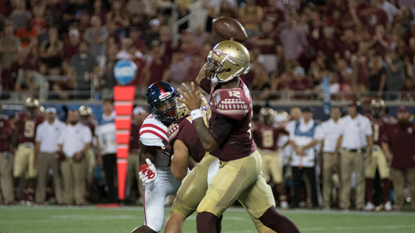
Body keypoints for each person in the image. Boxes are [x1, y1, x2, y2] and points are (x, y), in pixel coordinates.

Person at [180, 40, 300, 233]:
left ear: (228, 68)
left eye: (215, 63)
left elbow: (209, 143)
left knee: (205, 214)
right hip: (242, 158)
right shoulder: (226, 81)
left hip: (238, 162)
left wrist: (195, 113)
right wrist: (223, 45)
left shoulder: (233, 99)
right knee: (269, 217)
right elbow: (202, 76)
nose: (209, 66)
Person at [163, 99, 275, 233]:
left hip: (213, 161)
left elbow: (179, 174)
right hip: (247, 158)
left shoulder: (179, 126)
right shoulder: (220, 108)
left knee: (178, 213)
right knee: (265, 221)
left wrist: (172, 154)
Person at [130, 81, 181, 233]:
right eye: (163, 105)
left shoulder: (187, 111)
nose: (170, 107)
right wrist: (145, 167)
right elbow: (144, 155)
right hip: (160, 177)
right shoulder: (150, 127)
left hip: (185, 174)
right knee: (153, 227)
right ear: (154, 108)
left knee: (209, 210)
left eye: (171, 101)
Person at [334, 103, 373, 211]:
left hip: (359, 152)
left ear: (357, 109)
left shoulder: (364, 121)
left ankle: (360, 204)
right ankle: (344, 204)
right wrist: (335, 152)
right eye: (349, 107)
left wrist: (370, 153)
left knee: (360, 178)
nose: (350, 109)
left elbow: (369, 137)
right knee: (345, 178)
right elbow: (340, 137)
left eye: (352, 108)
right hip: (346, 152)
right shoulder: (343, 120)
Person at [363, 99, 396, 211]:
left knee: (385, 176)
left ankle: (387, 201)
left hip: (382, 150)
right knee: (368, 176)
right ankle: (369, 202)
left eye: (378, 108)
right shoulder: (366, 118)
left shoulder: (387, 119)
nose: (376, 110)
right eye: (375, 108)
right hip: (370, 150)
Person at [253, 107, 289, 209]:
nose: (265, 119)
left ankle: (283, 201)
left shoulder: (276, 127)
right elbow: (248, 135)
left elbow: (290, 135)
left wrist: (283, 146)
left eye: (267, 117)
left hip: (274, 154)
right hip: (263, 154)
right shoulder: (258, 126)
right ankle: (266, 201)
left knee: (278, 179)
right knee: (264, 180)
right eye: (264, 117)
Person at [288, 107, 323, 209]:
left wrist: (303, 148)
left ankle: (315, 203)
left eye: (309, 113)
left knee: (312, 181)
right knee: (296, 181)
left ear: (311, 114)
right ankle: (295, 202)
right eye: (305, 113)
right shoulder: (296, 125)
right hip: (297, 157)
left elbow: (316, 140)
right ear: (302, 114)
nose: (307, 115)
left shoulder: (316, 125)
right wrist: (297, 149)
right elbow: (291, 139)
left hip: (309, 157)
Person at [12, 97, 45, 204]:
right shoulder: (21, 116)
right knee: (17, 172)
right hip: (22, 145)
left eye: (33, 107)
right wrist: (13, 145)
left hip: (33, 147)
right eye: (29, 107)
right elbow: (17, 131)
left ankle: (28, 196)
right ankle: (14, 195)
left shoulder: (40, 118)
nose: (31, 109)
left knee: (32, 173)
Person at [382, 106, 415, 211]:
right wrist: (387, 153)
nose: (402, 115)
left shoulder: (413, 126)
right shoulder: (392, 127)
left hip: (411, 162)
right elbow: (384, 141)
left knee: (413, 186)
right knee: (397, 186)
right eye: (400, 113)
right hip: (396, 161)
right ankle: (397, 205)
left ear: (408, 114)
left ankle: (414, 205)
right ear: (397, 114)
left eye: (404, 113)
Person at [56, 110, 92, 205]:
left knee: (79, 180)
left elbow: (88, 143)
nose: (72, 117)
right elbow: (59, 143)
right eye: (70, 116)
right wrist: (58, 151)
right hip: (66, 158)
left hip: (78, 157)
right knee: (67, 180)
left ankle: (79, 200)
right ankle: (68, 199)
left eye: (74, 116)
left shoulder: (84, 129)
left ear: (78, 117)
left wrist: (81, 152)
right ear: (68, 117)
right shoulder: (65, 130)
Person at [34, 107, 66, 205]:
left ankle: (61, 199)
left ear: (55, 115)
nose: (50, 115)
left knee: (57, 177)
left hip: (55, 153)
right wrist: (35, 158)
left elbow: (64, 141)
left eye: (52, 113)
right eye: (49, 113)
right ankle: (39, 199)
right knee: (42, 177)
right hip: (43, 153)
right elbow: (38, 143)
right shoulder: (41, 127)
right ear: (46, 115)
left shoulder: (62, 126)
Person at [320, 107, 343, 210]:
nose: (335, 113)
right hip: (328, 153)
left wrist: (336, 153)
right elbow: (322, 140)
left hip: (341, 153)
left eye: (337, 112)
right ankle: (326, 203)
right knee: (326, 179)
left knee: (343, 179)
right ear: (330, 114)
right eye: (333, 111)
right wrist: (321, 154)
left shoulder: (344, 124)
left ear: (340, 114)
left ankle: (342, 202)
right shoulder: (325, 125)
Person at [95, 99, 117, 203]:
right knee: (109, 176)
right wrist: (99, 155)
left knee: (119, 175)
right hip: (105, 152)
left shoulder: (117, 118)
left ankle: (120, 196)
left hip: (117, 151)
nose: (107, 107)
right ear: (102, 107)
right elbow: (98, 139)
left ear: (112, 106)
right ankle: (111, 197)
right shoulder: (99, 121)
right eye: (105, 105)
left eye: (109, 105)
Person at [126, 106, 147, 203]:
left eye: (141, 114)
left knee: (142, 178)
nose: (139, 117)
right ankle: (125, 197)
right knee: (127, 177)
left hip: (141, 154)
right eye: (137, 114)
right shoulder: (129, 127)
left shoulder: (146, 126)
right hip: (130, 154)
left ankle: (143, 198)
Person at [0, 105, 14, 205]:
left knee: (5, 176)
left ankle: (8, 199)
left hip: (3, 152)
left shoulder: (4, 121)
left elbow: (6, 135)